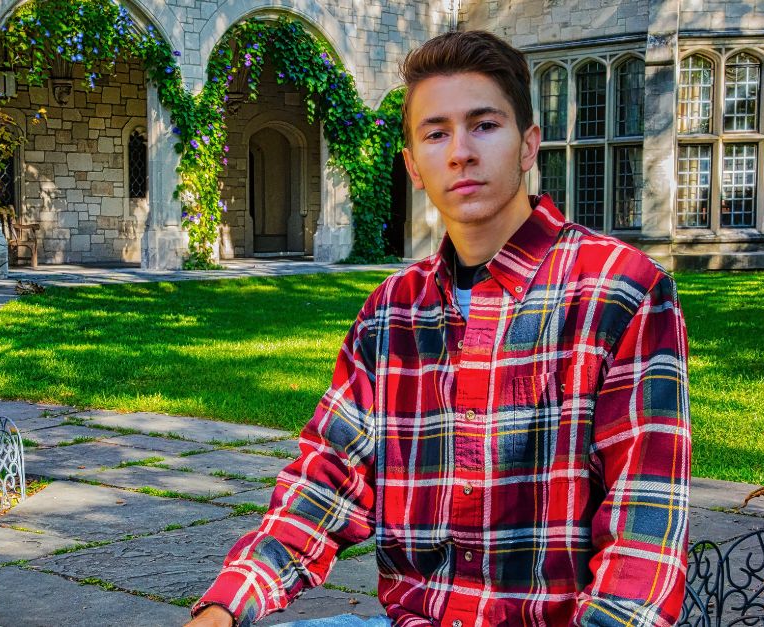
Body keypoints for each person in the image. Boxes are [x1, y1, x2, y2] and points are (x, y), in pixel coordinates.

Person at [187, 29, 691, 627]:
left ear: (529, 144)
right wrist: (222, 608)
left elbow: (644, 530)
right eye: (436, 133)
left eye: (484, 125)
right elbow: (323, 484)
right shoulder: (391, 312)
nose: (460, 152)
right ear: (414, 166)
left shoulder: (619, 290)